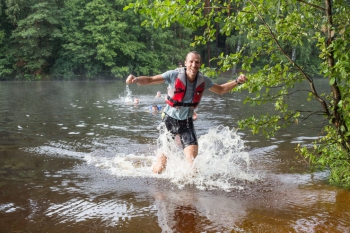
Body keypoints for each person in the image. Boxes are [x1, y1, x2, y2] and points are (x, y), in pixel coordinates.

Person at [126, 51, 247, 174]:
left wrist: (237, 81)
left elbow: (221, 90)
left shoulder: (203, 80)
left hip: (187, 124)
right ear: (185, 63)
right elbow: (151, 80)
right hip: (169, 121)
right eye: (191, 61)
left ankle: (190, 192)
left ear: (200, 64)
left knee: (192, 167)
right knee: (160, 167)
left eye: (197, 62)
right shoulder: (173, 75)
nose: (194, 65)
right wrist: (136, 80)